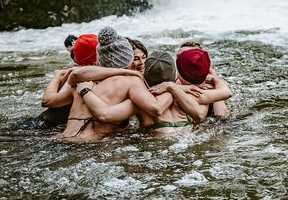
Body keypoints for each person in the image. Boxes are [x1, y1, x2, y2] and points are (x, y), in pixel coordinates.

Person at [41, 27, 174, 142]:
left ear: (100, 59)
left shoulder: (82, 79)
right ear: (128, 57)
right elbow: (155, 110)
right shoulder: (132, 82)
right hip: (88, 145)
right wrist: (173, 87)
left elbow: (50, 99)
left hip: (61, 139)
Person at [76, 50, 231, 136]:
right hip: (189, 137)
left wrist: (84, 89)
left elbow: (105, 115)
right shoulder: (194, 94)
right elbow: (204, 111)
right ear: (175, 74)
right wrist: (214, 77)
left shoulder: (141, 100)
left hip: (159, 143)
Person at [36, 33, 98, 128]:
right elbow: (46, 101)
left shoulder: (77, 73)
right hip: (43, 126)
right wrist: (59, 75)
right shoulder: (76, 76)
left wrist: (59, 75)